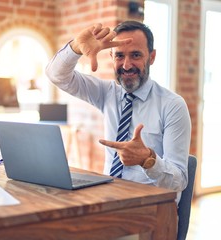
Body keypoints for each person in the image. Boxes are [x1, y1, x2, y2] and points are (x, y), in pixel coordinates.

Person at [46, 20, 191, 203]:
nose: (127, 65)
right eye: (120, 56)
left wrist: (148, 160)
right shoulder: (107, 93)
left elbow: (179, 181)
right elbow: (56, 75)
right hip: (109, 199)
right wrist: (75, 47)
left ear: (152, 57)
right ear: (112, 56)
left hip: (153, 209)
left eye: (136, 55)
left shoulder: (173, 105)